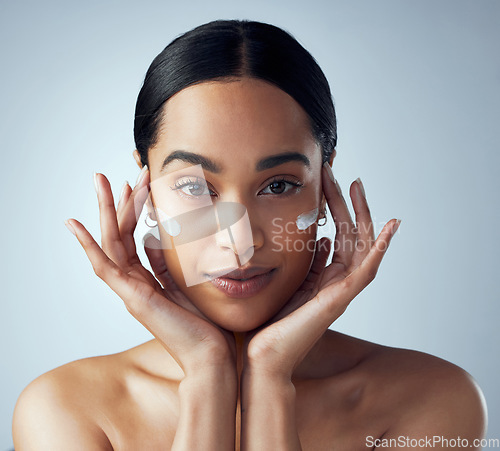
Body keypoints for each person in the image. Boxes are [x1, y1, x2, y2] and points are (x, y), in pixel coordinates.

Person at [12, 19, 486, 450]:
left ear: (324, 185)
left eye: (278, 185)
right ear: (147, 189)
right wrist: (206, 376)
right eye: (195, 187)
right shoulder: (66, 411)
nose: (238, 241)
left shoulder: (433, 401)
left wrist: (271, 381)